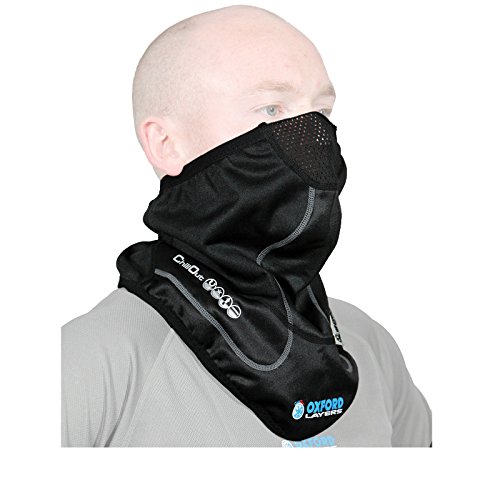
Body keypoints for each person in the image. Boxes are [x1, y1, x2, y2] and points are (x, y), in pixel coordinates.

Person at [61, 4, 432, 447]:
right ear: (166, 143)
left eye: (322, 111)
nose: (315, 139)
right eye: (271, 109)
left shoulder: (368, 347)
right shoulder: (87, 366)